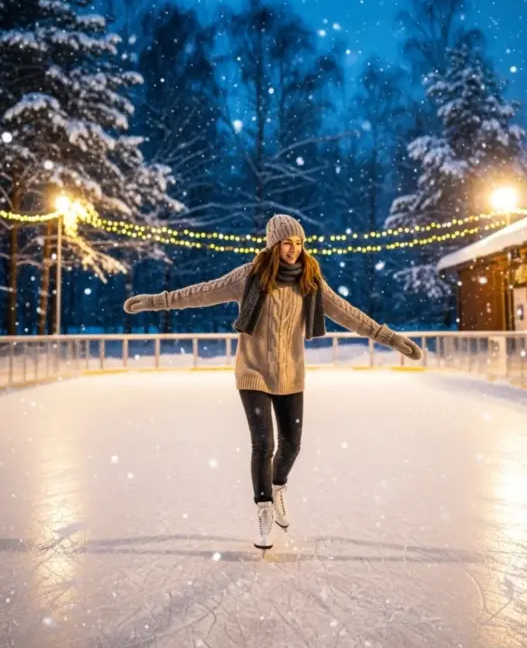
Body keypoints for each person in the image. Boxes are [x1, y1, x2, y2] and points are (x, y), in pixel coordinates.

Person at [124, 214, 422, 550]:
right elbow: (203, 292)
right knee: (263, 443)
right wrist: (155, 301)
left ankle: (278, 486)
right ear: (273, 244)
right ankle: (263, 509)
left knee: (292, 446)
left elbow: (348, 313)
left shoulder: (310, 282)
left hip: (291, 375)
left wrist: (390, 337)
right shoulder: (249, 277)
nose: (293, 250)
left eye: (298, 243)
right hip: (252, 372)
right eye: (286, 243)